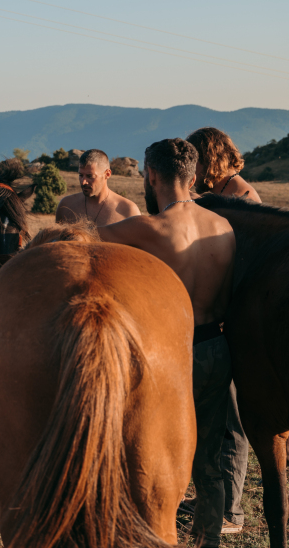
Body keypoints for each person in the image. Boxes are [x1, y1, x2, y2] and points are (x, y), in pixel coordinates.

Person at [98, 138, 236, 548]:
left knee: (149, 451)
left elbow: (81, 239)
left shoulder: (149, 228)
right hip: (217, 349)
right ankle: (208, 539)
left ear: (151, 175)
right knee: (210, 456)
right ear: (194, 178)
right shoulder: (223, 228)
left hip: (170, 356)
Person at [186, 126, 257, 534]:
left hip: (234, 323)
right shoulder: (226, 195)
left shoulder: (244, 200)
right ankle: (213, 495)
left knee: (232, 421)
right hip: (221, 321)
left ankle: (231, 510)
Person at [55, 149, 141, 226]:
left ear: (107, 174)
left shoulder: (128, 211)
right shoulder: (66, 206)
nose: (83, 182)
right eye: (81, 175)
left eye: (90, 176)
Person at [188, 127, 261, 203]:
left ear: (209, 160)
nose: (189, 170)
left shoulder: (238, 202)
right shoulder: (229, 197)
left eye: (192, 162)